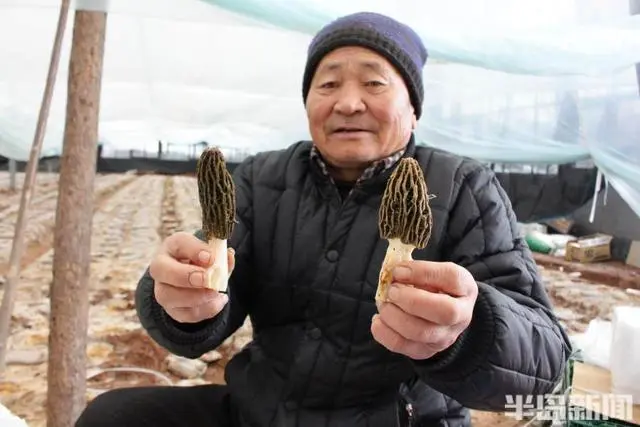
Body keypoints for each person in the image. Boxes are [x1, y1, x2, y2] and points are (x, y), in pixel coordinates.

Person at [76, 11, 571, 427]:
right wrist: (180, 304)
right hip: (262, 410)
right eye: (328, 82)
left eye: (374, 82)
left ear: (413, 108)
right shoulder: (263, 176)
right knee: (114, 417)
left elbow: (549, 363)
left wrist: (469, 329)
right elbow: (210, 292)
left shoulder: (464, 186)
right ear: (309, 102)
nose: (348, 101)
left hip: (395, 419)